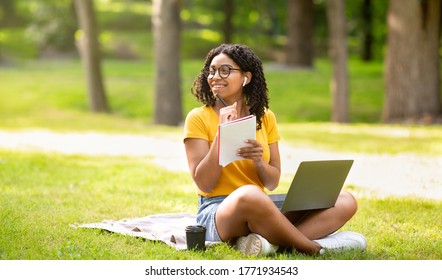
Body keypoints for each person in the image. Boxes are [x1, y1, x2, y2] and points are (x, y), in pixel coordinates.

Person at [183, 43, 367, 256]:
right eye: (212, 71)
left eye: (225, 70)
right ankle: (312, 247)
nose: (215, 76)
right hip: (218, 211)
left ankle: (271, 243)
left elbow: (272, 182)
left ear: (246, 77)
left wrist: (259, 161)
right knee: (249, 194)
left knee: (345, 199)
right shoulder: (198, 118)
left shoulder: (265, 118)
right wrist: (221, 135)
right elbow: (204, 182)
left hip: (263, 207)